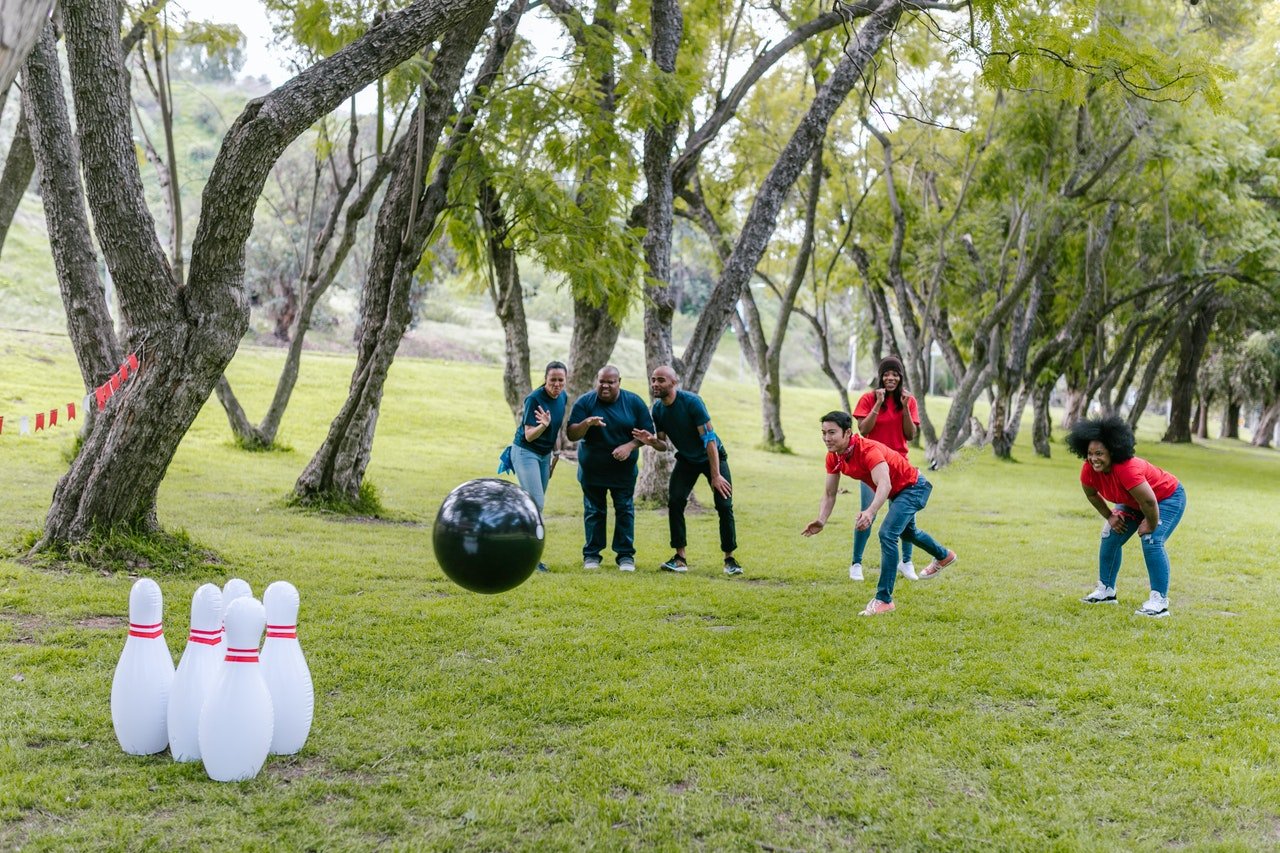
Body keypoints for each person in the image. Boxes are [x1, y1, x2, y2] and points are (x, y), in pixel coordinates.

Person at [802, 411, 957, 616]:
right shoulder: (834, 457)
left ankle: (884, 600)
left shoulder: (868, 450)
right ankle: (944, 556)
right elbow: (830, 493)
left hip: (914, 487)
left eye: (832, 432)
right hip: (899, 491)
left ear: (848, 432)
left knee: (887, 534)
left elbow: (885, 483)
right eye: (823, 433)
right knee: (908, 533)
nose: (826, 438)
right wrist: (822, 520)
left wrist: (870, 511)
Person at [1066, 415, 1187, 618]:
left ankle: (1159, 602)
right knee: (1110, 534)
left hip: (1166, 498)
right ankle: (1106, 591)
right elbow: (1091, 494)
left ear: (1112, 452)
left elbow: (1149, 502)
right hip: (1134, 501)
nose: (1094, 458)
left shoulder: (1127, 469)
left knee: (1151, 539)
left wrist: (1151, 522)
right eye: (1090, 453)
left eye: (1099, 453)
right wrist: (1110, 516)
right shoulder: (1088, 470)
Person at [631, 365, 743, 576]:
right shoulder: (657, 409)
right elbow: (664, 445)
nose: (655, 384)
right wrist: (652, 441)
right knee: (675, 501)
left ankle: (730, 559)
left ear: (674, 383)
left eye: (661, 380)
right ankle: (680, 558)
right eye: (653, 380)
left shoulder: (692, 402)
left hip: (713, 457)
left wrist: (716, 475)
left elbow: (709, 440)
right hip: (687, 460)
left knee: (724, 505)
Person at [566, 365, 655, 571]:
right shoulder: (585, 402)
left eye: (610, 382)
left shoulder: (633, 402)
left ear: (619, 382)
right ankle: (592, 556)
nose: (605, 385)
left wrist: (630, 446)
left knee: (624, 510)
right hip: (592, 470)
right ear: (597, 381)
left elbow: (647, 435)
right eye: (602, 381)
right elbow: (571, 434)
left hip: (622, 472)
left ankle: (625, 556)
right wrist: (586, 423)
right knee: (593, 511)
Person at [849, 355, 921, 582]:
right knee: (867, 510)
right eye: (886, 374)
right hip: (871, 462)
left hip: (899, 463)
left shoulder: (908, 400)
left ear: (900, 377)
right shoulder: (869, 398)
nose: (890, 378)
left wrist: (907, 407)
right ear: (880, 377)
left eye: (895, 374)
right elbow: (863, 430)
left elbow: (910, 435)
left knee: (905, 515)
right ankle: (856, 563)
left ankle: (906, 562)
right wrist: (878, 404)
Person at [509, 361, 568, 572]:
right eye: (553, 379)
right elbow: (528, 435)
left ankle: (521, 548)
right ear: (545, 379)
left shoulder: (563, 397)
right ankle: (529, 559)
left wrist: (557, 454)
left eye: (561, 380)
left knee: (533, 505)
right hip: (526, 452)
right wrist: (542, 425)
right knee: (536, 504)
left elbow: (557, 429)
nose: (557, 384)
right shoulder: (534, 399)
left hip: (545, 455)